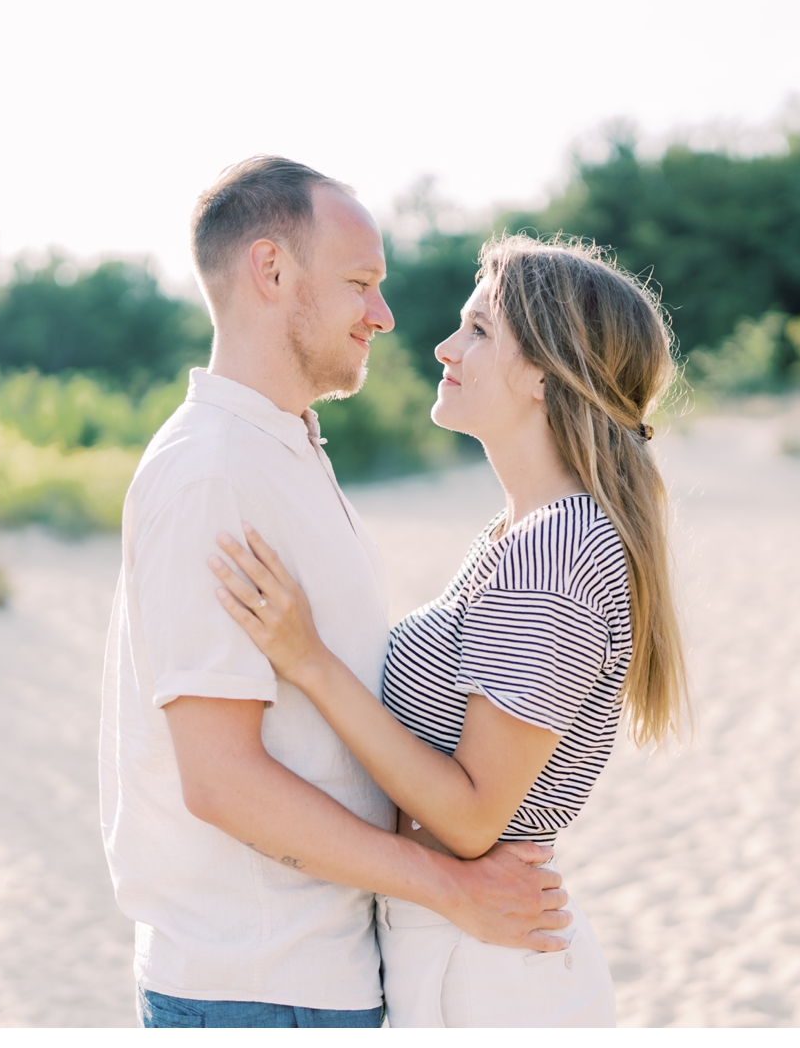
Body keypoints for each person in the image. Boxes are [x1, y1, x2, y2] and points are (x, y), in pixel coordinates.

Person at [99, 158, 573, 1030]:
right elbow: (222, 781)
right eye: (361, 284)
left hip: (320, 978)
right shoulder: (211, 472)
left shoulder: (286, 452)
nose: (385, 317)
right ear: (272, 271)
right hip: (252, 987)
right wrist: (453, 886)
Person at [209, 233, 688, 1027]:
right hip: (459, 947)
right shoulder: (521, 533)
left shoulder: (557, 552)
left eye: (477, 330)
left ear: (542, 374)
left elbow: (469, 818)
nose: (443, 346)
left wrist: (309, 661)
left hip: (485, 966)